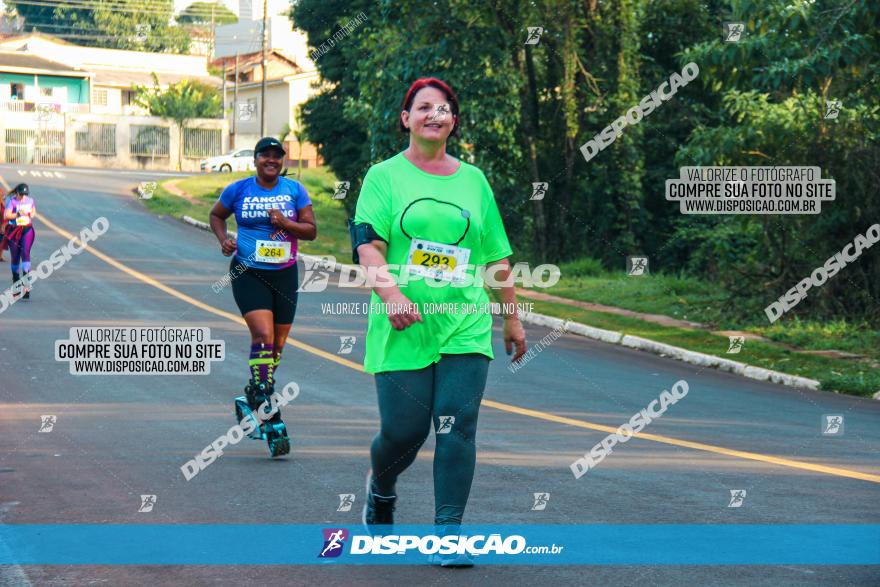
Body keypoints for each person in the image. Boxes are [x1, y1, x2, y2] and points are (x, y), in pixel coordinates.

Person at [351, 77, 527, 567]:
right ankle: (382, 486)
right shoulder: (383, 176)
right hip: (404, 321)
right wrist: (390, 293)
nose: (435, 114)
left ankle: (448, 532)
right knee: (404, 432)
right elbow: (368, 244)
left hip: (464, 321)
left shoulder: (474, 180)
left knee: (457, 425)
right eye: (424, 107)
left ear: (453, 120)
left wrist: (511, 318)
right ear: (406, 118)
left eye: (445, 108)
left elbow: (495, 255)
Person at [209, 137, 316, 457]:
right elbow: (217, 215)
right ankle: (267, 399)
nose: (271, 160)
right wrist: (223, 238)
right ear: (254, 160)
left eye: (276, 156)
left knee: (278, 345)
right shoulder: (238, 189)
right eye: (265, 155)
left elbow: (311, 230)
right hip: (248, 272)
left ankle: (254, 392)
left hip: (284, 273)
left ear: (282, 161)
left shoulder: (295, 191)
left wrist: (286, 223)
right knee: (263, 335)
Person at [3, 183, 36, 299]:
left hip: (27, 230)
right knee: (15, 257)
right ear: (17, 193)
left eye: (25, 195)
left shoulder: (30, 200)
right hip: (14, 231)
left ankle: (27, 285)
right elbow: (6, 216)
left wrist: (29, 213)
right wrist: (17, 213)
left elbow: (33, 212)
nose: (23, 197)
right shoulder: (12, 201)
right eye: (21, 195)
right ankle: (16, 283)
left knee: (25, 252)